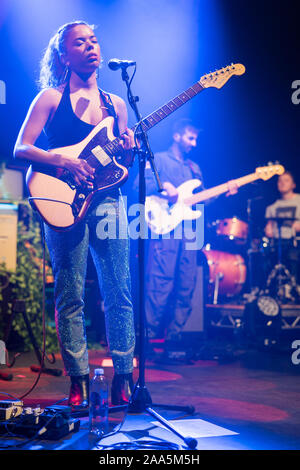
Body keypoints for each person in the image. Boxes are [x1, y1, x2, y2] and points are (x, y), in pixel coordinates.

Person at [14, 21, 136, 409]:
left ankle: (124, 377)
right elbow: (21, 147)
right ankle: (79, 380)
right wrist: (60, 159)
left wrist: (130, 148)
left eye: (94, 40)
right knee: (70, 295)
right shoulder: (50, 98)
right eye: (80, 42)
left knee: (120, 291)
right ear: (64, 56)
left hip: (109, 201)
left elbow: (122, 163)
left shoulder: (115, 104)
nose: (90, 46)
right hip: (61, 199)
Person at [144, 118, 237, 348]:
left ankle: (174, 338)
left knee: (187, 284)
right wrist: (164, 186)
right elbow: (141, 184)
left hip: (190, 232)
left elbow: (203, 197)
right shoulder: (159, 160)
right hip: (166, 229)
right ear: (177, 136)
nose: (194, 143)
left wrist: (225, 190)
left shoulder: (194, 168)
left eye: (196, 139)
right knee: (160, 282)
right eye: (190, 138)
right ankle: (146, 339)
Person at [265, 171, 300, 283]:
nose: (282, 183)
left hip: (295, 243)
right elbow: (268, 227)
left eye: (286, 180)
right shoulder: (272, 207)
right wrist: (268, 230)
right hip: (277, 244)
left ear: (293, 185)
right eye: (280, 180)